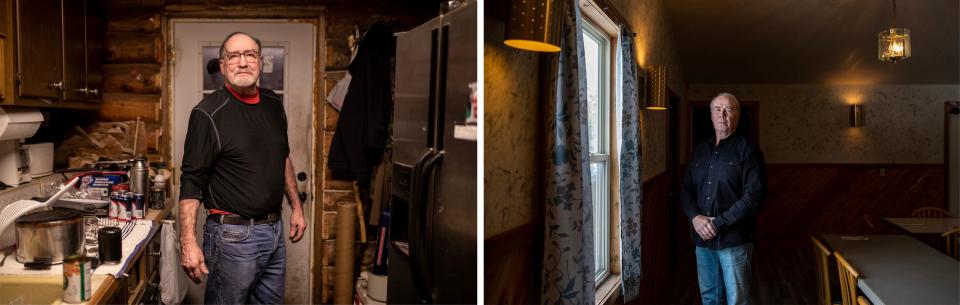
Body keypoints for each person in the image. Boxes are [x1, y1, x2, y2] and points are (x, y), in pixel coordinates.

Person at [178, 31, 306, 304]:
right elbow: (191, 181)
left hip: (274, 232)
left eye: (249, 55)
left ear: (260, 61)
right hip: (232, 238)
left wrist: (296, 206)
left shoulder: (273, 103)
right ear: (223, 66)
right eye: (233, 56)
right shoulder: (207, 113)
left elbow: (281, 157)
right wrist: (188, 243)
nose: (243, 62)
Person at [680, 93, 767, 305]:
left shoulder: (749, 151)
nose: (722, 114)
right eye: (717, 109)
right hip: (702, 240)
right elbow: (686, 191)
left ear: (737, 116)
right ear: (710, 115)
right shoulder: (699, 152)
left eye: (729, 110)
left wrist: (717, 223)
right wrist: (695, 218)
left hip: (735, 240)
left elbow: (754, 198)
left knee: (737, 300)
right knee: (709, 297)